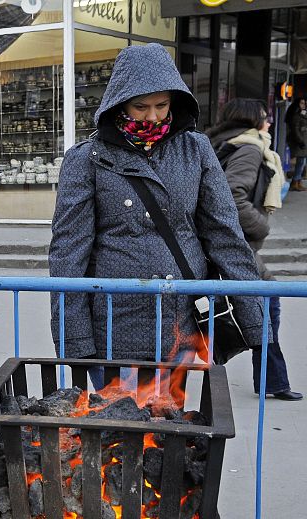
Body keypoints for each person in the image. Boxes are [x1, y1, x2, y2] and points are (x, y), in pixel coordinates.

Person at [49, 44, 268, 390]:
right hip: (113, 327)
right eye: (141, 107)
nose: (152, 117)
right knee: (119, 431)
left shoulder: (196, 150)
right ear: (119, 103)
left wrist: (257, 326)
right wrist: (74, 341)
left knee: (167, 429)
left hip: (178, 322)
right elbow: (68, 255)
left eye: (162, 105)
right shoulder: (86, 160)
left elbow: (226, 236)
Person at [206, 99, 302, 401]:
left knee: (260, 306)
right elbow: (233, 195)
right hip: (238, 245)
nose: (270, 123)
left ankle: (272, 381)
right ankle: (273, 381)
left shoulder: (223, 143)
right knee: (265, 308)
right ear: (252, 121)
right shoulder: (249, 148)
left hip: (228, 243)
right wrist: (261, 225)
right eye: (265, 117)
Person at [285, 97, 307, 191]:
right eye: (301, 103)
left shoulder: (302, 114)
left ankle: (298, 181)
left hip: (303, 141)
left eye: (304, 103)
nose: (303, 105)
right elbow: (295, 130)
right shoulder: (296, 116)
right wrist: (300, 141)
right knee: (301, 162)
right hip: (299, 142)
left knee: (302, 162)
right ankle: (295, 182)